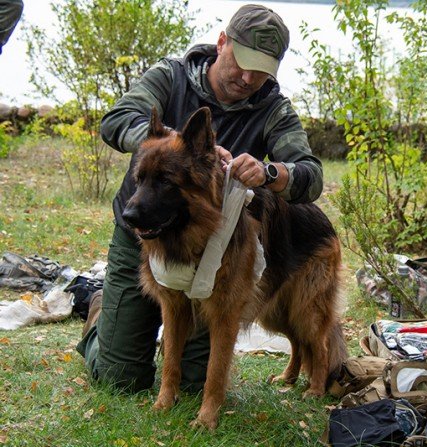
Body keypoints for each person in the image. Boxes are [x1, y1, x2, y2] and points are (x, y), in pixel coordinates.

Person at [76, 4, 323, 393]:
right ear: (222, 42)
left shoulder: (273, 109)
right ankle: (102, 321)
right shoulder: (170, 77)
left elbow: (311, 175)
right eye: (241, 62)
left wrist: (270, 171)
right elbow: (116, 120)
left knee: (195, 386)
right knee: (118, 378)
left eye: (261, 70)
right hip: (142, 238)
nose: (247, 77)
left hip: (214, 255)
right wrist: (176, 145)